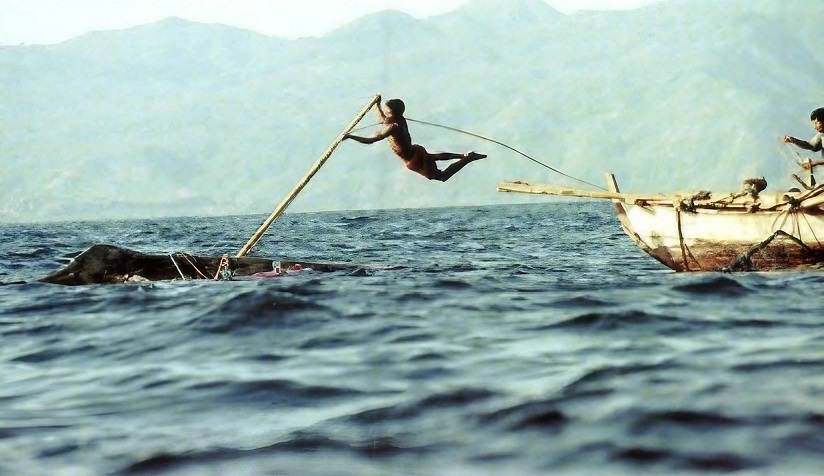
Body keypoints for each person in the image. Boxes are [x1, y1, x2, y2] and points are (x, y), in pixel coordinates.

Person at [344, 97, 486, 182]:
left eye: (387, 112)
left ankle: (467, 158)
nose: (386, 114)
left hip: (412, 158)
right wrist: (377, 105)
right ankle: (463, 156)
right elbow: (382, 119)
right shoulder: (399, 119)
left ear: (393, 113)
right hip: (414, 152)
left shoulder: (393, 126)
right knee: (432, 158)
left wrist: (351, 136)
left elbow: (372, 140)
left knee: (441, 176)